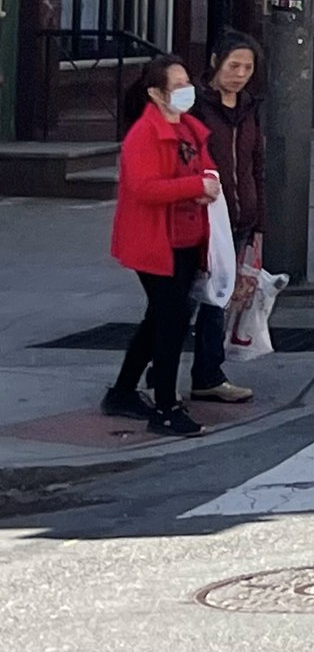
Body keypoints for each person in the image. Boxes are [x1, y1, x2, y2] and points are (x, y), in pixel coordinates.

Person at [103, 57, 221, 438]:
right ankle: (166, 406)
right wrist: (196, 188)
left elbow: (205, 167)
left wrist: (206, 184)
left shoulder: (188, 128)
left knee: (159, 317)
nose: (187, 89)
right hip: (156, 242)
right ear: (156, 93)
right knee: (171, 321)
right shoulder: (144, 134)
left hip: (185, 238)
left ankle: (122, 392)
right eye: (178, 83)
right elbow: (145, 188)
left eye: (188, 80)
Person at [186, 33, 266, 396]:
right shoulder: (197, 107)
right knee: (186, 299)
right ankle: (158, 370)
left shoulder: (249, 107)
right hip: (201, 217)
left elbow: (255, 166)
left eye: (247, 68)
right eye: (234, 66)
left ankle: (208, 375)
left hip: (239, 217)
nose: (240, 74)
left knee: (218, 299)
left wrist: (259, 221)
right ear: (217, 61)